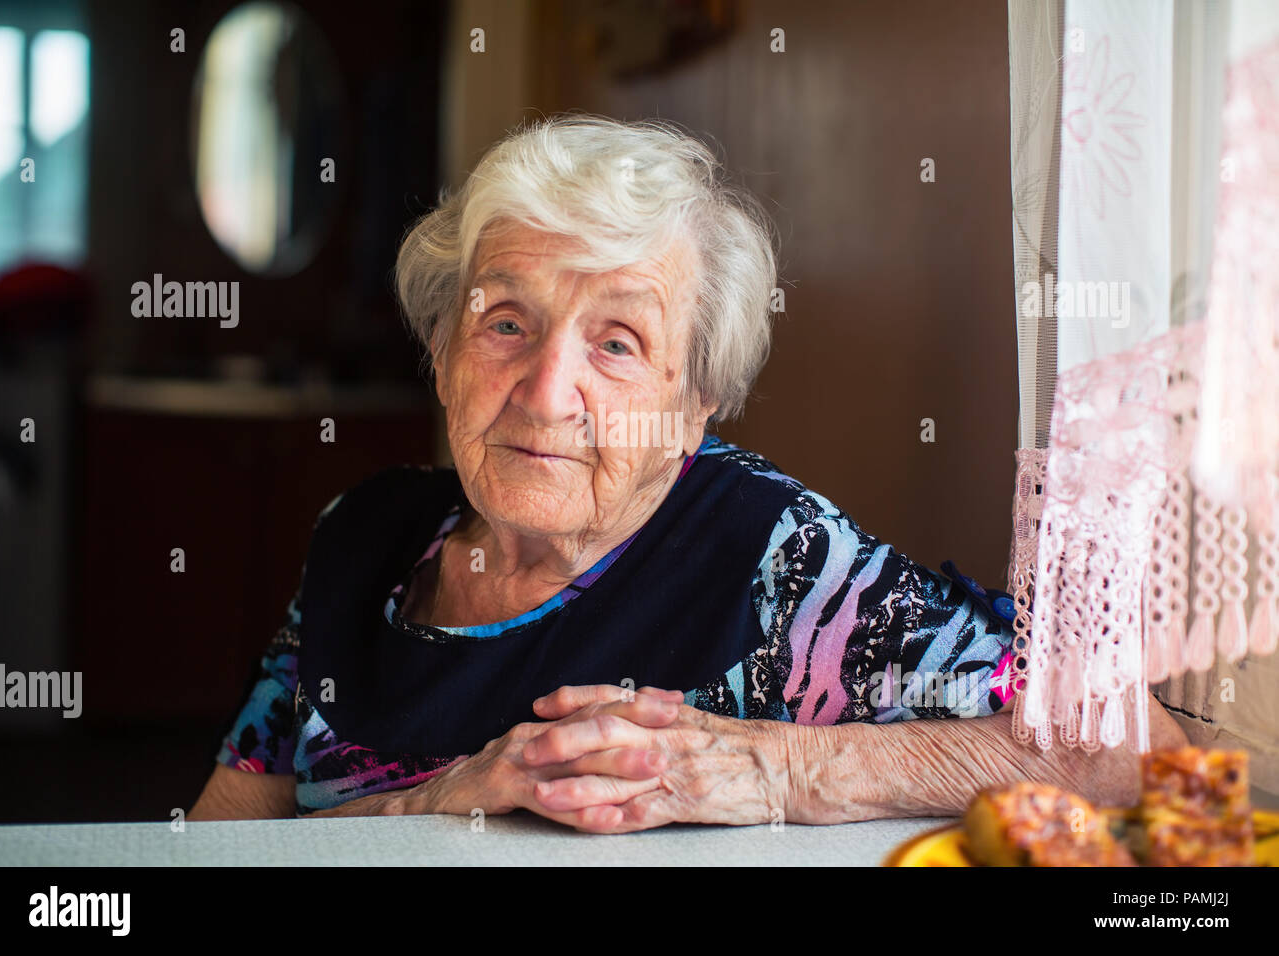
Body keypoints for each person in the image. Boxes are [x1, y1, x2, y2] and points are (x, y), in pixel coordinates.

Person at [189, 116, 1187, 832]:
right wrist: (435, 801)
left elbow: (1117, 742)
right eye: (505, 322)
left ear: (691, 402)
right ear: (444, 346)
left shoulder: (766, 554)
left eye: (616, 343)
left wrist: (771, 765)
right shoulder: (363, 534)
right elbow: (212, 844)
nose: (544, 392)